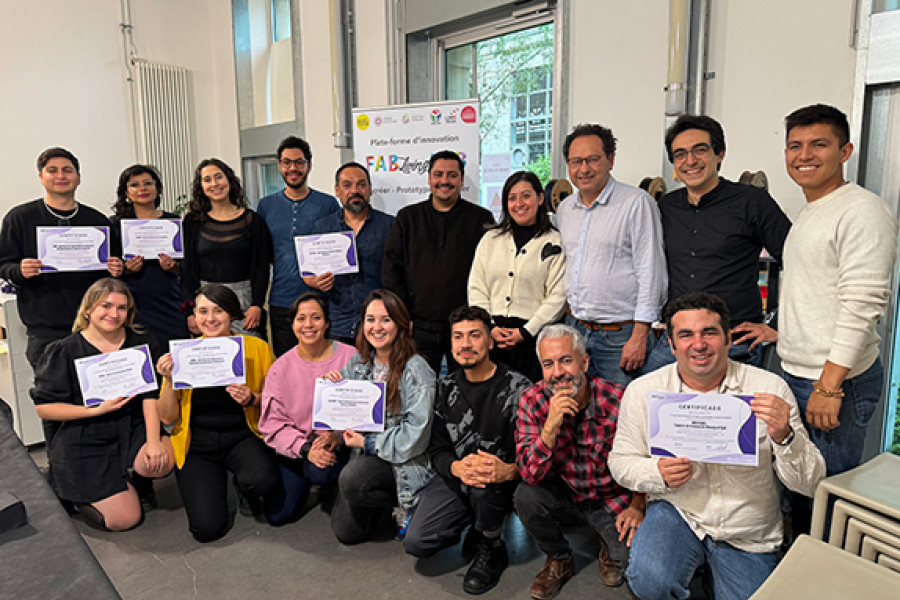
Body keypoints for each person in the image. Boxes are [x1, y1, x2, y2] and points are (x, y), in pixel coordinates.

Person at [609, 292, 825, 600]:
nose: (698, 344)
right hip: (679, 512)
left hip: (747, 529)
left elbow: (810, 482)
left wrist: (785, 437)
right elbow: (619, 463)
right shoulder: (644, 391)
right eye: (686, 335)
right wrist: (656, 472)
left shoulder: (769, 389)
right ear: (671, 345)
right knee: (650, 580)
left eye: (709, 332)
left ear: (727, 339)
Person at [642, 115, 791, 371]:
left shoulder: (752, 202)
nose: (690, 161)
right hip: (678, 340)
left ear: (719, 153)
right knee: (647, 400)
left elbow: (800, 262)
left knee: (730, 410)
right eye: (680, 154)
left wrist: (779, 327)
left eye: (700, 150)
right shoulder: (667, 206)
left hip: (734, 340)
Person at [404, 306, 531, 594]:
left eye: (474, 335)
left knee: (485, 482)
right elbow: (436, 450)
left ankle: (492, 545)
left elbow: (536, 453)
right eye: (458, 337)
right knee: (417, 542)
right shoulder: (444, 388)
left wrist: (510, 470)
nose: (465, 344)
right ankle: (476, 521)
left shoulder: (519, 388)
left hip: (502, 481)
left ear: (490, 341)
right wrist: (456, 468)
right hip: (460, 476)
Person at [30, 278, 174, 531]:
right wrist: (95, 410)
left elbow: (149, 396)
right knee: (124, 520)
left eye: (122, 308)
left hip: (132, 426)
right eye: (105, 306)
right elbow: (44, 408)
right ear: (88, 309)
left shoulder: (142, 341)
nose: (114, 314)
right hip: (86, 433)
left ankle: (134, 480)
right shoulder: (64, 350)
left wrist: (153, 441)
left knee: (161, 462)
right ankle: (74, 497)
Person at [515, 324, 645, 599]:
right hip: (565, 493)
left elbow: (643, 459)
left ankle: (607, 544)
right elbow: (529, 472)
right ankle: (559, 558)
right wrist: (550, 427)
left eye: (566, 360)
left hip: (609, 497)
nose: (558, 373)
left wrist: (637, 505)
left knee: (637, 568)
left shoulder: (618, 399)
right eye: (548, 364)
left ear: (584, 362)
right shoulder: (532, 400)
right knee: (525, 496)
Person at [157, 283, 280, 542]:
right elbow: (167, 417)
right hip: (197, 443)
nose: (210, 319)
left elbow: (277, 399)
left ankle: (243, 486)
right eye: (203, 311)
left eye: (218, 311)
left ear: (232, 315)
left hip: (242, 435)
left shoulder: (255, 347)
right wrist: (168, 380)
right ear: (194, 316)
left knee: (261, 481)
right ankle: (213, 481)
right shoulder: (183, 354)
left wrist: (251, 398)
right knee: (207, 530)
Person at [557, 125, 666, 387]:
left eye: (593, 159)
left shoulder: (636, 203)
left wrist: (640, 334)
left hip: (620, 336)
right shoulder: (565, 209)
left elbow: (651, 270)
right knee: (577, 412)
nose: (584, 169)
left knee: (619, 416)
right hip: (575, 329)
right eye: (576, 161)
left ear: (611, 160)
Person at [326, 289, 435, 544]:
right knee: (346, 533)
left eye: (386, 319)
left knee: (352, 480)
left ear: (401, 325)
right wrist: (332, 391)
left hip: (404, 463)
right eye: (370, 319)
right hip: (367, 458)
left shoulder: (417, 370)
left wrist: (368, 443)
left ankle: (406, 504)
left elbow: (415, 438)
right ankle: (381, 504)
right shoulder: (358, 363)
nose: (377, 327)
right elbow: (344, 417)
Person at [0, 147, 124, 370]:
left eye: (67, 170)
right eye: (52, 170)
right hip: (46, 330)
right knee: (54, 399)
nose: (60, 176)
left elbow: (110, 270)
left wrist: (116, 267)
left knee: (99, 398)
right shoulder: (20, 218)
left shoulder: (96, 220)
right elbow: (4, 264)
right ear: (41, 177)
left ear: (78, 178)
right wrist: (19, 270)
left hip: (93, 326)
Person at [382, 150, 494, 375]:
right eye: (438, 174)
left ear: (462, 180)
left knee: (466, 387)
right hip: (418, 327)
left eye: (452, 175)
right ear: (429, 179)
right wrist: (403, 317)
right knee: (419, 388)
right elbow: (392, 270)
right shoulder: (407, 218)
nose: (445, 181)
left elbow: (493, 272)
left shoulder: (481, 220)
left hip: (466, 328)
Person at [258, 292, 356, 525]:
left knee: (322, 473)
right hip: (299, 446)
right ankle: (307, 470)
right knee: (277, 516)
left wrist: (339, 435)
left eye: (316, 317)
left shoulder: (351, 357)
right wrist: (304, 449)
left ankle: (337, 485)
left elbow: (366, 410)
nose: (308, 325)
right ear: (292, 324)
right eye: (301, 318)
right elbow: (273, 424)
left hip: (339, 443)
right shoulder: (280, 368)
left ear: (327, 322)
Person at [468, 171, 566, 382]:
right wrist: (490, 327)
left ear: (540, 198)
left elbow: (558, 296)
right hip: (492, 338)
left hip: (533, 339)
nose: (519, 203)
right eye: (512, 198)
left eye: (526, 196)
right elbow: (477, 287)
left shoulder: (556, 241)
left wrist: (526, 331)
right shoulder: (490, 239)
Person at [257, 136, 340, 356]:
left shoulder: (328, 204)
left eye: (299, 162)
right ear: (279, 166)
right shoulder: (266, 206)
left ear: (309, 166)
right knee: (286, 363)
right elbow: (264, 253)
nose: (293, 168)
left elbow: (338, 252)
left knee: (322, 361)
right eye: (287, 162)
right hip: (281, 299)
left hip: (320, 301)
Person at [304, 162, 394, 345]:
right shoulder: (322, 228)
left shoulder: (390, 226)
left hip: (380, 324)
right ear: (337, 191)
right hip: (338, 323)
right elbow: (309, 275)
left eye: (361, 184)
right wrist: (316, 281)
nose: (355, 190)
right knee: (341, 374)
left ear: (370, 189)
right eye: (347, 185)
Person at [181, 158, 272, 339]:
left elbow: (262, 267)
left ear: (229, 180)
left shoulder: (253, 221)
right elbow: (186, 269)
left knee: (248, 355)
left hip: (244, 301)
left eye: (218, 177)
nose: (214, 184)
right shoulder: (192, 222)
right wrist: (190, 311)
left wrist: (257, 304)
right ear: (201, 187)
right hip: (206, 301)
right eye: (207, 180)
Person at [110, 164, 190, 347]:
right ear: (126, 192)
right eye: (134, 185)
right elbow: (107, 270)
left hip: (169, 302)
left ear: (157, 188)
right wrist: (125, 269)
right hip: (133, 304)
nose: (142, 189)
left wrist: (175, 267)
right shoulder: (115, 225)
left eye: (148, 183)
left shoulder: (174, 222)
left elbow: (187, 267)